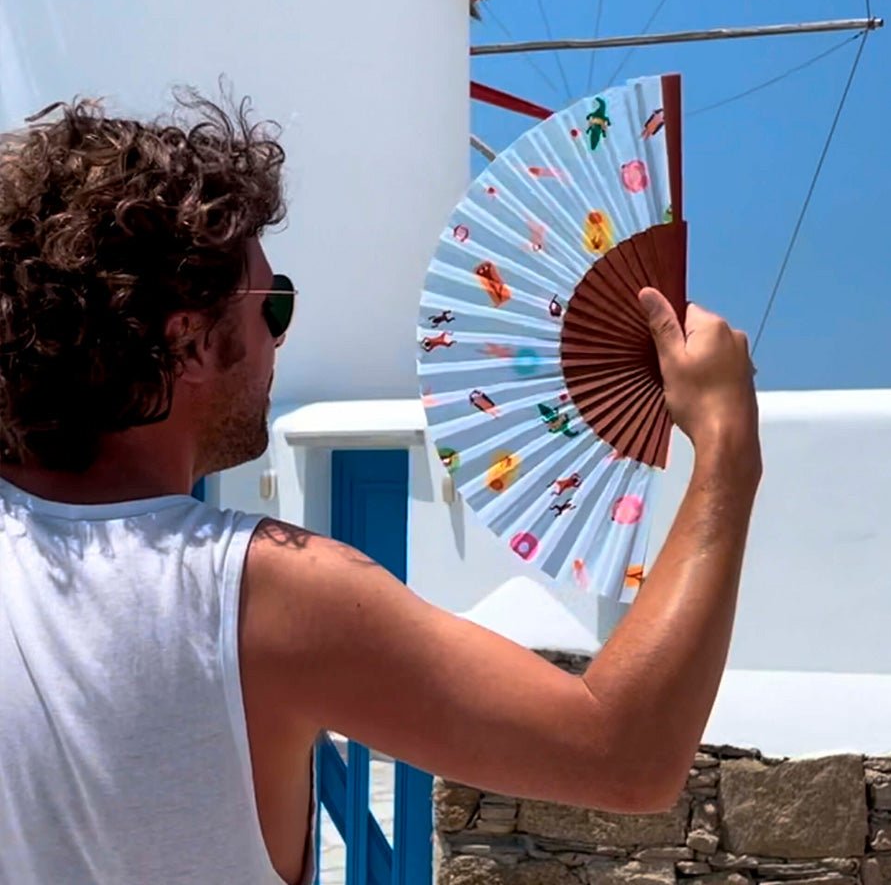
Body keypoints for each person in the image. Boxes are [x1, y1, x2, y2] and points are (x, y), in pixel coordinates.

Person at [0, 97, 761, 885]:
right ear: (189, 343)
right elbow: (627, 755)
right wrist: (727, 450)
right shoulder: (264, 594)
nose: (280, 338)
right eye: (273, 305)